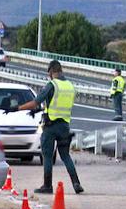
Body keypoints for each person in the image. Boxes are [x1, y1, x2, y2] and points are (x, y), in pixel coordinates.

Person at [17, 60, 82, 195]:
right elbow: (56, 103)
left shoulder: (52, 85)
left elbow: (35, 102)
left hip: (50, 126)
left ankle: (47, 185)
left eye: (49, 74)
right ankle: (76, 183)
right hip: (64, 125)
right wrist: (40, 110)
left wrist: (18, 108)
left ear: (51, 72)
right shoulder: (70, 86)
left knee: (47, 155)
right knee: (65, 155)